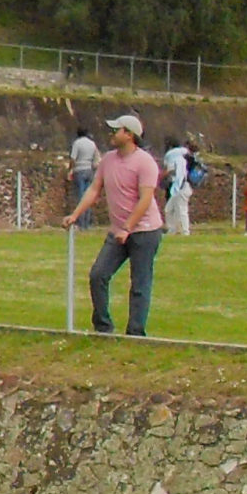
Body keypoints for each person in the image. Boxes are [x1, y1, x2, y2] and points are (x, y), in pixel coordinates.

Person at [66, 114, 164, 335]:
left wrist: (128, 227)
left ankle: (135, 333)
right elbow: (94, 189)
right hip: (118, 232)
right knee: (98, 275)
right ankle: (103, 327)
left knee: (140, 284)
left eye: (116, 130)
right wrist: (75, 214)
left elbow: (146, 198)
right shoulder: (108, 160)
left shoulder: (145, 162)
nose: (111, 134)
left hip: (145, 231)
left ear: (129, 135)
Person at [160, 134, 195, 237]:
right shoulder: (183, 155)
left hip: (180, 186)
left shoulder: (172, 156)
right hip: (183, 186)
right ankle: (173, 230)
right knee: (169, 209)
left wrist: (160, 176)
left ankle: (185, 231)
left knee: (182, 209)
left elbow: (170, 170)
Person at [67, 126, 99, 227]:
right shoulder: (92, 143)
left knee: (81, 198)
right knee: (88, 197)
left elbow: (73, 158)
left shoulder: (77, 143)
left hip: (79, 170)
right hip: (89, 170)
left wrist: (70, 170)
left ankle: (80, 223)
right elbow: (96, 158)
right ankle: (87, 223)